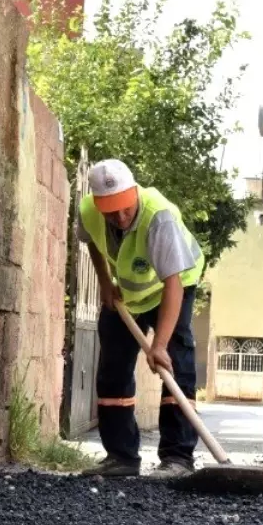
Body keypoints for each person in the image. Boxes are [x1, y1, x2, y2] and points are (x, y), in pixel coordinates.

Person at [75, 159, 206, 480]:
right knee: (112, 371)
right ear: (98, 203)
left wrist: (159, 345)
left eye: (125, 208)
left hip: (172, 288)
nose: (120, 217)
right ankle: (121, 457)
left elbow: (173, 282)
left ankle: (178, 458)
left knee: (177, 363)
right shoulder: (89, 210)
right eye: (111, 211)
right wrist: (104, 281)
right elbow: (91, 240)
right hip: (126, 297)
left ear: (135, 192)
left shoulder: (158, 217)